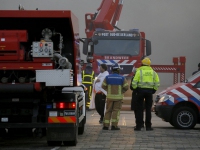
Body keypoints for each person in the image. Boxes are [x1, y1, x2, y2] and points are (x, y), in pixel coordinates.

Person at [132, 57, 160, 131]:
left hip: (140, 91)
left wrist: (136, 89)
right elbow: (157, 82)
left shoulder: (139, 71)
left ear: (142, 63)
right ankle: (148, 126)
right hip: (149, 92)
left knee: (139, 109)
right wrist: (154, 90)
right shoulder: (153, 72)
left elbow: (134, 82)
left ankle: (139, 126)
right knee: (148, 109)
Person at [102, 63, 129, 130]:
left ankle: (106, 126)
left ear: (112, 70)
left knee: (108, 111)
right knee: (116, 111)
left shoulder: (107, 77)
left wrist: (108, 90)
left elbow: (103, 86)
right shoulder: (122, 78)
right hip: (118, 98)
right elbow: (126, 87)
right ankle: (114, 126)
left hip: (109, 97)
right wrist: (121, 91)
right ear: (118, 70)